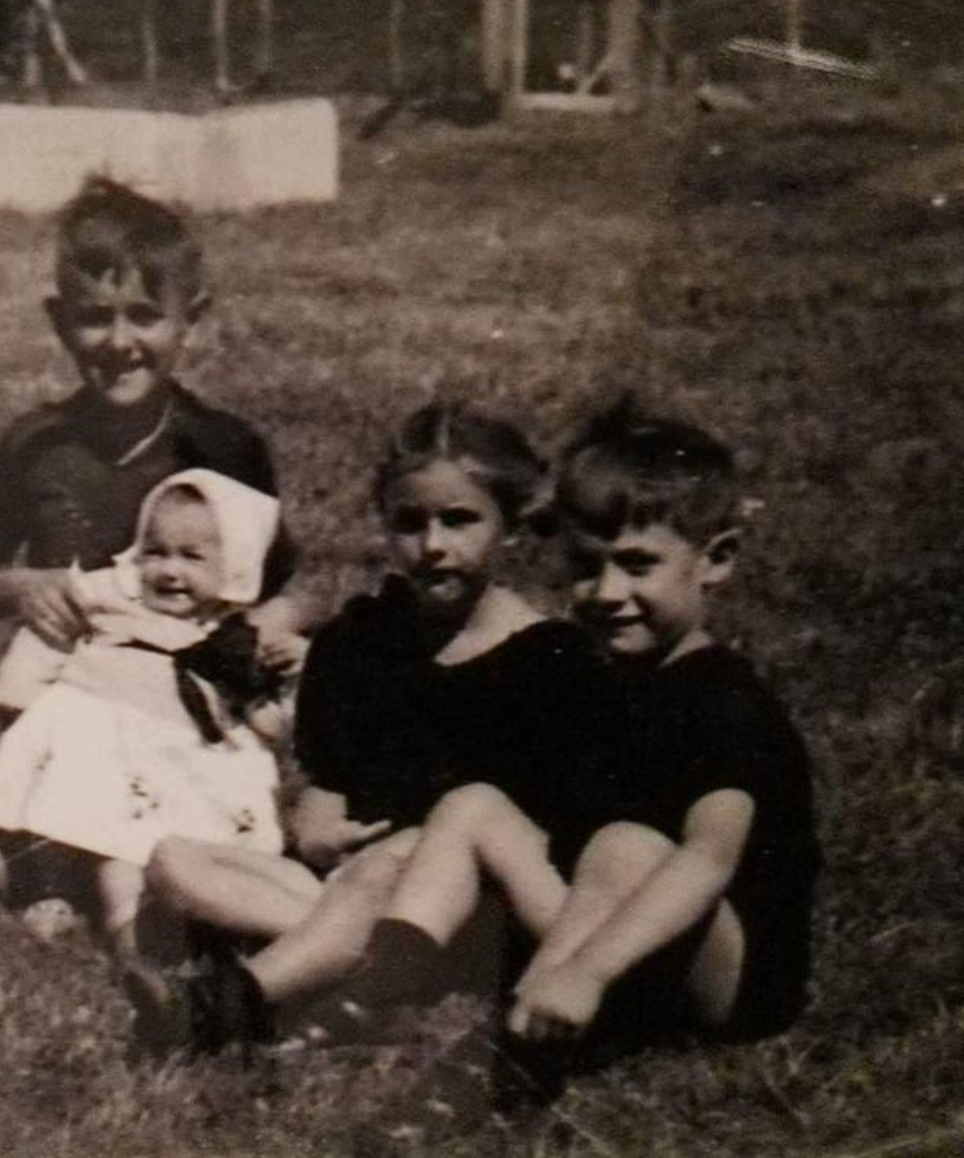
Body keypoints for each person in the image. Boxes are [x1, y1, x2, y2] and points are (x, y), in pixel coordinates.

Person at [304, 400, 821, 1057]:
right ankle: (384, 978)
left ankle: (526, 1046)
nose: (605, 592)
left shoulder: (724, 701)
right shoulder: (604, 676)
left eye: (636, 565)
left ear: (715, 559)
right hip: (616, 924)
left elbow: (706, 861)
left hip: (723, 979)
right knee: (474, 805)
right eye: (584, 565)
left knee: (623, 845)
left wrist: (587, 970)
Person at [128, 402, 619, 1055]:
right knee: (172, 862)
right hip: (350, 883)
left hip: (473, 904)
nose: (434, 545)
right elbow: (327, 784)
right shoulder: (361, 639)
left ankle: (228, 1002)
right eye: (410, 523)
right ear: (386, 525)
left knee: (400, 857)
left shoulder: (553, 658)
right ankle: (354, 973)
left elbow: (547, 835)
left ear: (510, 528)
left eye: (460, 520)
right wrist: (321, 831)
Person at [0, 176, 306, 912]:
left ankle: (102, 874)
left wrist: (265, 634)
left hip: (177, 737)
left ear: (189, 319)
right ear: (58, 320)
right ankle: (49, 846)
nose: (120, 342)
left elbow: (286, 586)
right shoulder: (38, 445)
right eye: (95, 318)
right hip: (62, 721)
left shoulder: (225, 448)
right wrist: (16, 587)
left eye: (145, 316)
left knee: (175, 864)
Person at [0, 469, 292, 952]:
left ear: (233, 567)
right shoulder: (106, 596)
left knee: (138, 859)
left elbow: (264, 714)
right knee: (67, 823)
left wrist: (273, 712)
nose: (170, 571)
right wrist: (19, 702)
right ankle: (59, 894)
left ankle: (152, 931)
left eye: (192, 557)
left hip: (181, 765)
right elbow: (43, 643)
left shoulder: (230, 638)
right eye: (156, 552)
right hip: (95, 746)